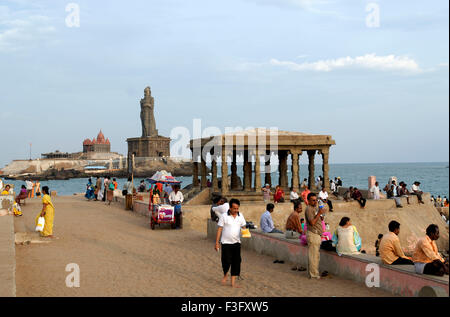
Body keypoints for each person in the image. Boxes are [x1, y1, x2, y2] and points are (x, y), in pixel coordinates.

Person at [215, 198, 247, 288]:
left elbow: (243, 226)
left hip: (237, 242)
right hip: (225, 243)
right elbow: (220, 229)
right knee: (226, 261)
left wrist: (245, 233)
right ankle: (225, 274)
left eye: (237, 208)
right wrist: (217, 242)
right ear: (230, 208)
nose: (236, 210)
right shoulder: (224, 216)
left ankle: (233, 283)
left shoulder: (241, 216)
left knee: (236, 262)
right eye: (234, 208)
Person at [305, 192, 327, 279]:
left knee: (316, 256)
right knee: (313, 256)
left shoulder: (315, 208)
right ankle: (313, 274)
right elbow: (312, 222)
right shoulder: (309, 209)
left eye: (316, 200)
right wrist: (319, 214)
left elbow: (319, 219)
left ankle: (314, 273)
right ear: (308, 201)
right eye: (313, 200)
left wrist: (321, 214)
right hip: (313, 233)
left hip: (317, 234)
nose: (315, 202)